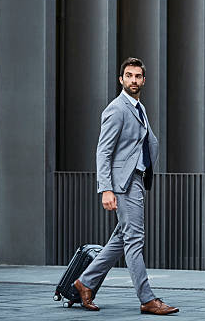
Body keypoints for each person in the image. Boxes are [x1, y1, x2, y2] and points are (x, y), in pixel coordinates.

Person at [73, 57, 178, 315]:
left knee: (122, 238)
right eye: (128, 75)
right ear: (121, 80)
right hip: (123, 183)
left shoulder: (138, 107)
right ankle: (147, 299)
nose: (133, 80)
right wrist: (106, 188)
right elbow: (103, 152)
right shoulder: (117, 109)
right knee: (134, 240)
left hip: (136, 180)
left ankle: (84, 283)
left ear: (143, 80)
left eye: (138, 76)